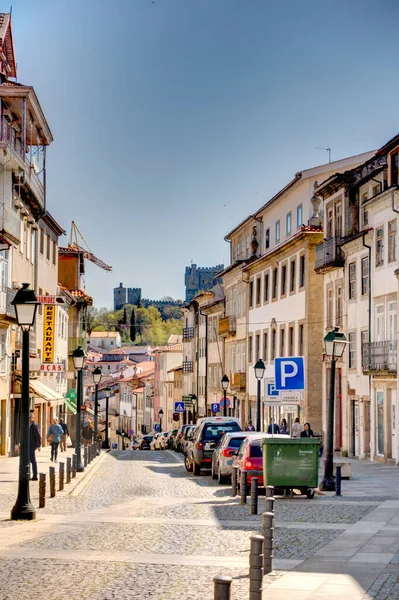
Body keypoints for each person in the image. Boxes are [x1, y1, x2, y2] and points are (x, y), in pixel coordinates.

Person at [29, 413, 41, 481]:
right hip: (28, 445)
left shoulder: (34, 425)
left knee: (33, 460)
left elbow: (38, 435)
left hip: (32, 445)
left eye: (31, 417)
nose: (30, 418)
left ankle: (35, 475)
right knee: (29, 460)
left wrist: (38, 445)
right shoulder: (29, 425)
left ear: (33, 418)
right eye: (29, 417)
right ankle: (29, 474)